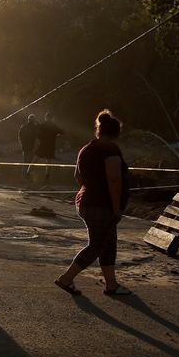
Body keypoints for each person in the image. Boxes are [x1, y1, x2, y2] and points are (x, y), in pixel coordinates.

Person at [55, 109, 131, 296]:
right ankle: (66, 279)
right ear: (116, 132)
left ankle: (111, 284)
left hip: (86, 201)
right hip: (102, 206)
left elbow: (77, 176)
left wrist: (90, 189)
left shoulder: (86, 149)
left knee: (108, 243)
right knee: (97, 245)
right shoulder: (110, 149)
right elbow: (114, 179)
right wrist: (116, 208)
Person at [34, 111, 62, 186]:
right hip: (50, 146)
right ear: (52, 118)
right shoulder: (54, 126)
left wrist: (38, 141)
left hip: (42, 145)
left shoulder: (42, 125)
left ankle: (28, 173)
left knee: (35, 159)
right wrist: (56, 136)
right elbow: (62, 132)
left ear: (46, 118)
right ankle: (47, 177)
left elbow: (37, 134)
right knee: (48, 162)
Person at [17, 114, 39, 182]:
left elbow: (19, 137)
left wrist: (21, 146)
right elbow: (37, 137)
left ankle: (23, 178)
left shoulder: (23, 127)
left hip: (25, 148)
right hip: (32, 148)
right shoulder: (34, 127)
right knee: (32, 164)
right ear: (33, 120)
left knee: (25, 162)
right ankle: (30, 179)